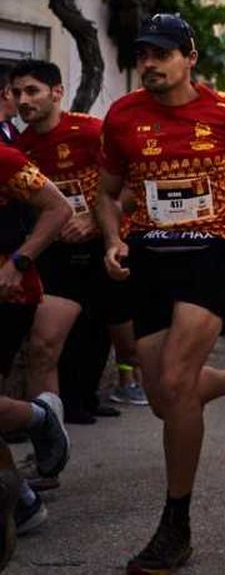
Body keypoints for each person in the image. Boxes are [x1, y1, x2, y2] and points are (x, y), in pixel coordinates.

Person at [96, 14, 225, 573]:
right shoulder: (124, 116)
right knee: (163, 398)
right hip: (148, 257)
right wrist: (111, 239)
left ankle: (175, 524)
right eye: (143, 54)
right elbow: (106, 192)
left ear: (189, 57)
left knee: (177, 382)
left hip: (210, 254)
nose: (149, 64)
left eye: (161, 54)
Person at [10, 61, 105, 415]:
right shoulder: (21, 147)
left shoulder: (91, 131)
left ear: (57, 93)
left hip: (109, 248)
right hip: (58, 255)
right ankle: (46, 427)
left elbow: (132, 181)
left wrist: (94, 219)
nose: (23, 100)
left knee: (132, 350)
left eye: (32, 91)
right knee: (44, 344)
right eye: (17, 92)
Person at [0, 139, 74, 539]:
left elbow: (59, 208)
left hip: (8, 292)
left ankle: (40, 420)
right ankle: (23, 502)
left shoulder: (5, 158)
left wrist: (18, 262)